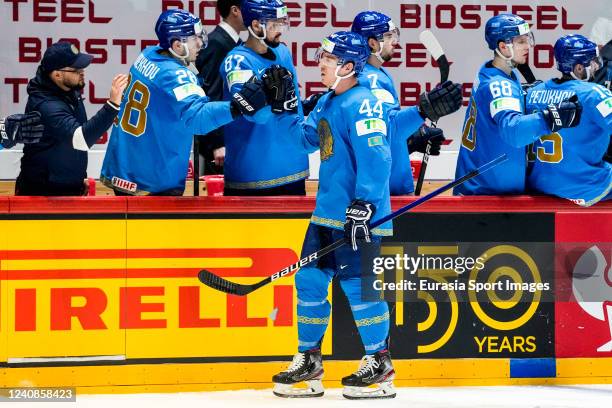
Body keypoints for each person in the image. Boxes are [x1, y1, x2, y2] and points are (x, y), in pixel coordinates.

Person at [269, 31, 395, 399]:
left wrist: (365, 204)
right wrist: (284, 109)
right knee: (308, 280)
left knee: (359, 289)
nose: (320, 62)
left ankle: (380, 364)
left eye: (328, 57)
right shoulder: (327, 101)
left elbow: (378, 157)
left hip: (359, 216)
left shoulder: (364, 103)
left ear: (348, 66)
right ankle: (309, 362)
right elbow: (304, 140)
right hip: (326, 213)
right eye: (321, 56)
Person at [100, 9, 268, 195]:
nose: (200, 43)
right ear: (177, 45)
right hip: (150, 178)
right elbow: (197, 118)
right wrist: (237, 106)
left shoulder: (148, 55)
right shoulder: (174, 75)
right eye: (194, 38)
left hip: (125, 166)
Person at [454, 14, 582, 196]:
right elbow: (513, 131)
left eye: (527, 39)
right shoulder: (500, 85)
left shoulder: (493, 71)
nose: (527, 46)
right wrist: (550, 118)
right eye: (521, 41)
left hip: (481, 186)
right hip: (487, 197)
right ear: (503, 46)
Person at [351, 11, 462, 195]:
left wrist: (411, 139)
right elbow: (387, 129)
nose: (394, 41)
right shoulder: (371, 79)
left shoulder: (375, 73)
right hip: (385, 191)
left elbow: (381, 130)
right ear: (372, 43)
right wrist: (422, 111)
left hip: (383, 184)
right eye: (388, 36)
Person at [220, 0, 309, 196]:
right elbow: (251, 112)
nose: (281, 30)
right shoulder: (237, 62)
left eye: (282, 23)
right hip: (253, 173)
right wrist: (269, 100)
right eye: (274, 24)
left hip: (294, 167)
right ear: (255, 25)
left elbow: (291, 103)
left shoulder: (283, 52)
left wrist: (305, 106)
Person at [14, 42, 126, 196]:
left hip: (66, 188)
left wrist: (78, 178)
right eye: (76, 69)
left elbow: (68, 143)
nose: (82, 72)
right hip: (42, 195)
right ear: (57, 74)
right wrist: (112, 105)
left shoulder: (67, 88)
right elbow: (81, 139)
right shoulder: (46, 106)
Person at [525, 35, 611, 206]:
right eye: (592, 61)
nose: (596, 66)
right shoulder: (594, 94)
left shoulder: (534, 92)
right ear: (579, 68)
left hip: (541, 184)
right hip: (585, 186)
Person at [195, 0, 245, 175]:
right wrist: (217, 143)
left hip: (233, 138)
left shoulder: (235, 43)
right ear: (235, 10)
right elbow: (210, 95)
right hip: (219, 147)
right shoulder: (217, 43)